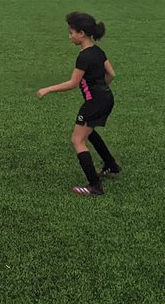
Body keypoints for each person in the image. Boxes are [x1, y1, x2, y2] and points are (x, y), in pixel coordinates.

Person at [37, 12, 120, 196]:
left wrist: (48, 89)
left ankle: (95, 186)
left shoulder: (84, 57)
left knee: (77, 140)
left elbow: (73, 83)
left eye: (71, 32)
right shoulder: (98, 51)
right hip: (107, 98)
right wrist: (101, 88)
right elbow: (111, 74)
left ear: (81, 33)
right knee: (89, 131)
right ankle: (111, 165)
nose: (70, 36)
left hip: (94, 102)